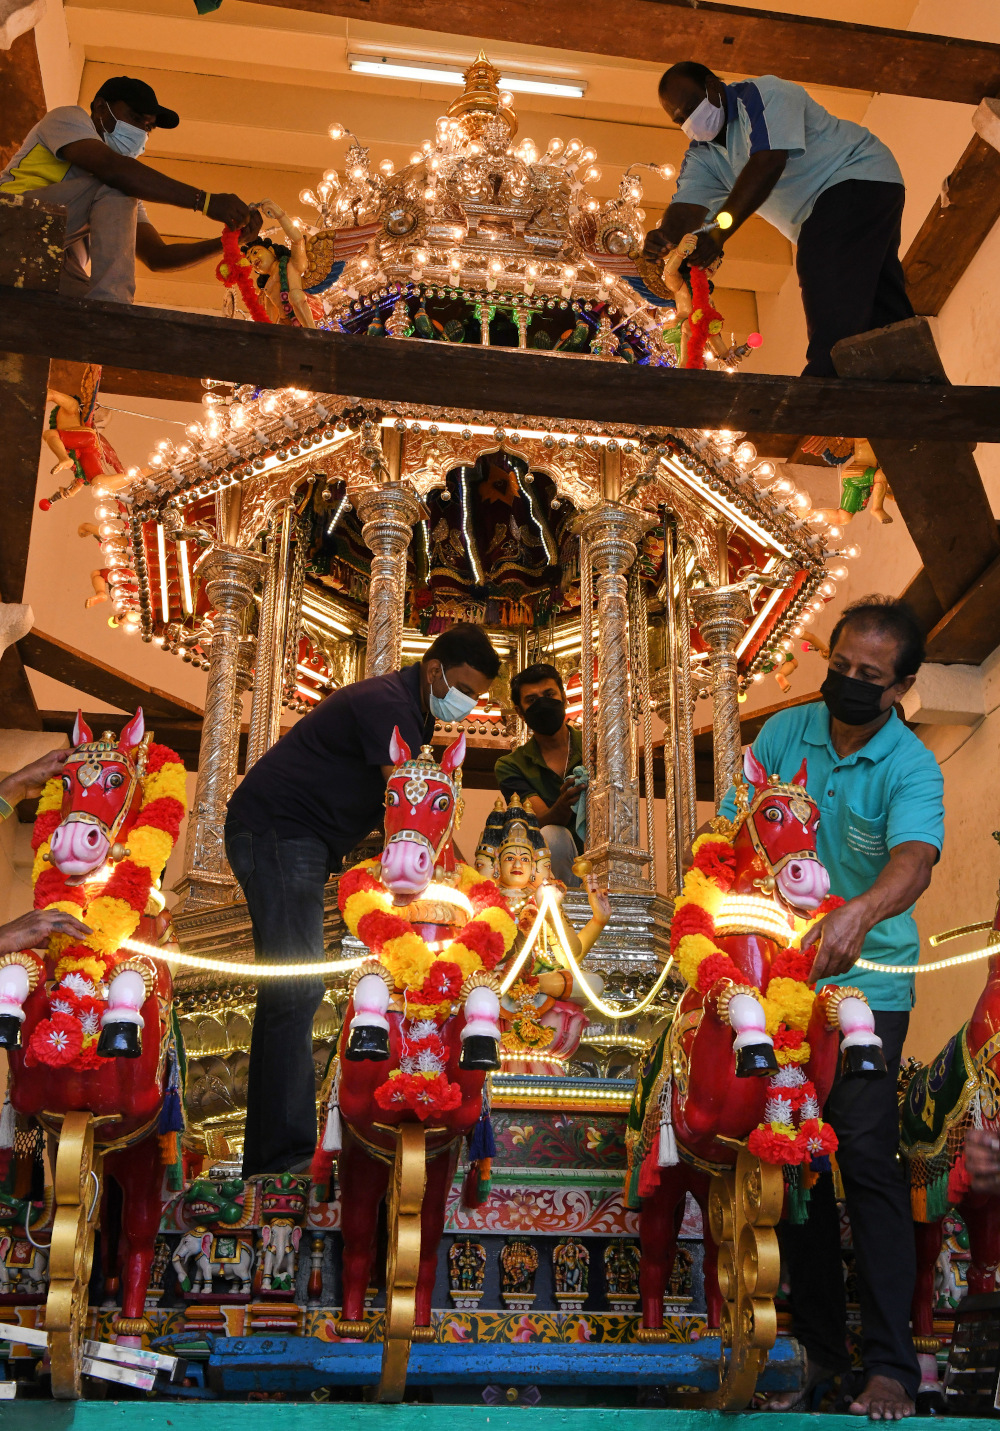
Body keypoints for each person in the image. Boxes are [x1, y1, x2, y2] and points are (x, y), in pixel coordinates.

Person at [718, 596, 943, 1421]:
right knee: (790, 1158)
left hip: (869, 987)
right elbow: (738, 830)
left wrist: (858, 912)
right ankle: (815, 1355)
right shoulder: (785, 735)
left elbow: (914, 862)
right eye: (839, 666)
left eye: (868, 677)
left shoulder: (912, 766)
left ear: (902, 687)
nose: (845, 684)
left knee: (866, 1160)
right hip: (781, 981)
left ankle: (891, 1368)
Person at [225, 623, 501, 1178]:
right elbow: (412, 808)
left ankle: (276, 1149)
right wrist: (471, 879)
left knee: (294, 990)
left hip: (302, 841)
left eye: (476, 695)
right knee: (295, 987)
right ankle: (282, 1155)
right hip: (280, 832)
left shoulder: (415, 713)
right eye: (463, 687)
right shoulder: (388, 702)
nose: (466, 703)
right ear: (433, 669)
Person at [644, 62, 913, 376]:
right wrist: (665, 236)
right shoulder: (702, 156)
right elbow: (687, 209)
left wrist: (719, 234)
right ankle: (915, 375)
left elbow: (768, 162)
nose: (690, 121)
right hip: (841, 205)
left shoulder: (764, 94)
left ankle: (826, 375)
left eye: (691, 107)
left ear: (714, 87)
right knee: (876, 294)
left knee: (820, 260)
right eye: (680, 119)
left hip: (854, 176)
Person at [0, 75, 255, 305]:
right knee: (107, 311)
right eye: (135, 118)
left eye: (148, 127)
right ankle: (114, 309)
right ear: (101, 108)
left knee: (88, 319)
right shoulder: (68, 119)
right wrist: (205, 201)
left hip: (42, 262)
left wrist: (229, 240)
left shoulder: (119, 197)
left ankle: (108, 317)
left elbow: (157, 256)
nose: (142, 132)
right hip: (10, 224)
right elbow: (114, 170)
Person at [494, 663, 586, 887]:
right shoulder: (511, 765)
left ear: (564, 698)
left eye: (549, 694)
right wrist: (565, 803)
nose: (543, 703)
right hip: (553, 868)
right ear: (520, 712)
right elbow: (539, 820)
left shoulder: (594, 746)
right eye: (532, 700)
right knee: (553, 834)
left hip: (600, 857)